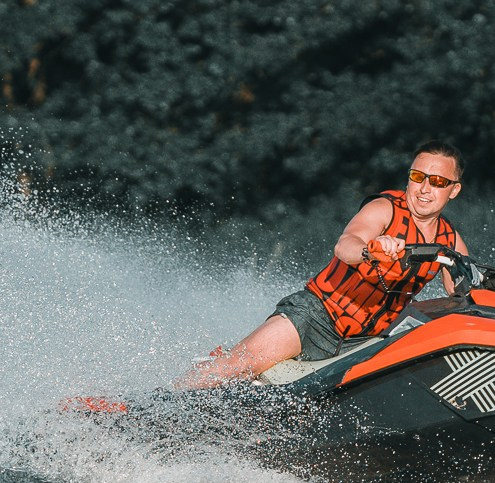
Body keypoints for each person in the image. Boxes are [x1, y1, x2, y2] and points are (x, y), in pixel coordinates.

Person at [181, 142, 472, 387]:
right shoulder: (384, 209)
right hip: (317, 318)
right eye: (417, 176)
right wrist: (372, 250)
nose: (424, 188)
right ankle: (156, 407)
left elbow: (464, 293)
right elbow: (346, 244)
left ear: (453, 190)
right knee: (236, 367)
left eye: (437, 182)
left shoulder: (450, 240)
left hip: (368, 343)